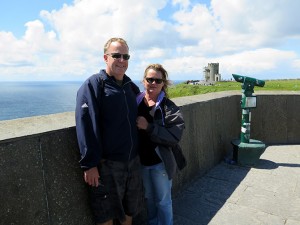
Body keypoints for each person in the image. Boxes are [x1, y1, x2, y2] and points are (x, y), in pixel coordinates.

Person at [75, 37, 143, 225]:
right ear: (106, 57)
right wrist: (89, 164)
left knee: (129, 212)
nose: (122, 60)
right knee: (106, 216)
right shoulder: (94, 85)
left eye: (126, 56)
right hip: (107, 166)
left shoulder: (130, 86)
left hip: (132, 162)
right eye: (116, 55)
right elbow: (85, 124)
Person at [136, 64, 185, 225]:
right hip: (142, 162)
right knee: (149, 199)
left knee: (163, 202)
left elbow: (174, 136)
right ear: (144, 81)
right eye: (150, 79)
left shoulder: (168, 107)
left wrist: (149, 127)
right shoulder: (135, 102)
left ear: (163, 83)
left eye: (158, 80)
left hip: (160, 163)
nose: (153, 83)